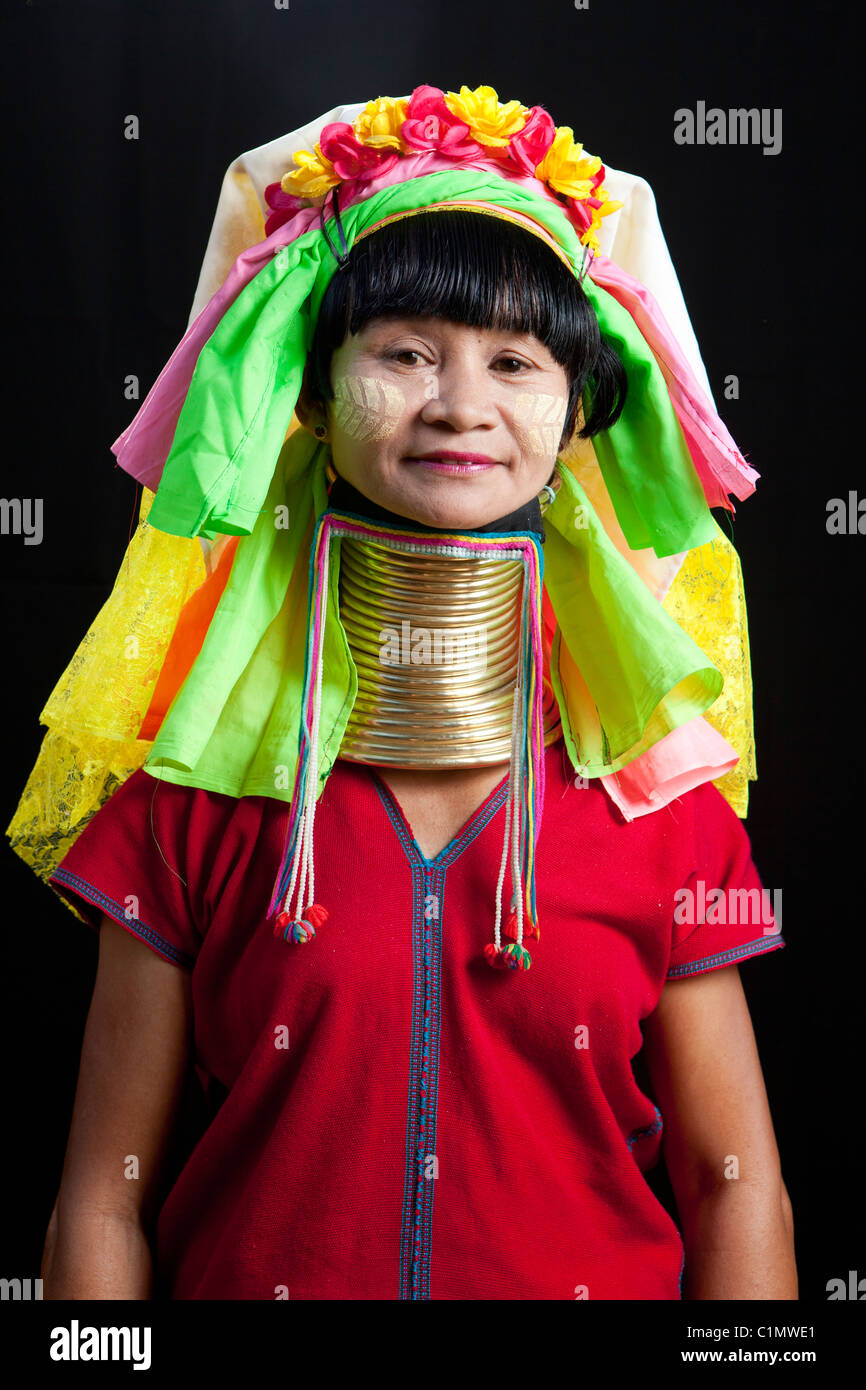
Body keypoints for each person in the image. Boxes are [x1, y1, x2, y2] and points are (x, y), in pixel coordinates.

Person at [21, 85, 794, 1300]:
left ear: (574, 412)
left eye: (513, 362)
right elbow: (100, 1198)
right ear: (315, 395)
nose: (459, 405)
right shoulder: (185, 809)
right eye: (405, 352)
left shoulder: (664, 811)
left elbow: (735, 1182)